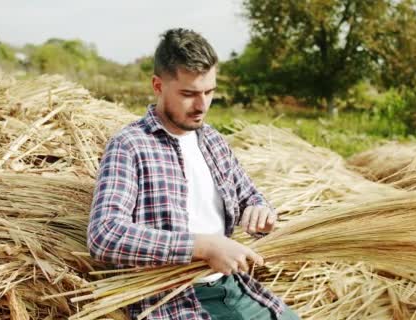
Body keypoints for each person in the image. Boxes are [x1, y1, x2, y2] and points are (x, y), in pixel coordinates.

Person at [87, 28, 300, 320]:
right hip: (172, 300)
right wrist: (202, 246)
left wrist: (260, 210)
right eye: (188, 94)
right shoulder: (130, 145)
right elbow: (105, 234)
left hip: (231, 287)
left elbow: (249, 195)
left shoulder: (213, 140)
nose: (202, 106)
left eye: (209, 92)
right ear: (158, 85)